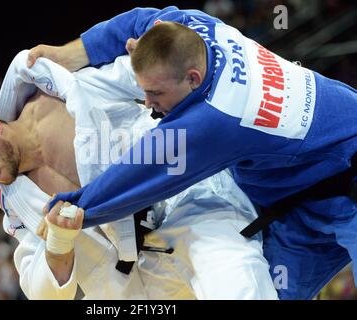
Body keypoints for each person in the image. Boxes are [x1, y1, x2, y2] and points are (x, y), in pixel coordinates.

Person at [26, 6, 357, 299]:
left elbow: (140, 173)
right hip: (300, 200)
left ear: (193, 78)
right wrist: (73, 53)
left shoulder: (216, 118)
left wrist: (71, 209)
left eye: (156, 93)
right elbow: (138, 20)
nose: (150, 104)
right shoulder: (193, 25)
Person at [0, 50, 278, 299]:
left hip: (187, 207)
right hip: (133, 287)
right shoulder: (17, 205)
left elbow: (146, 71)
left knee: (237, 283)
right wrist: (58, 248)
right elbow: (41, 292)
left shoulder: (65, 92)